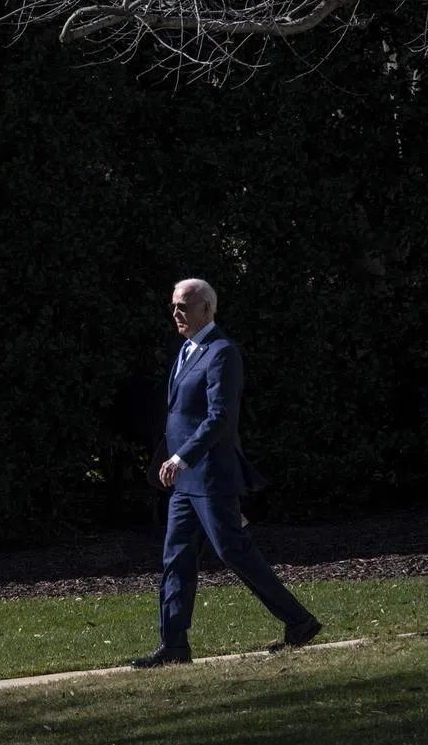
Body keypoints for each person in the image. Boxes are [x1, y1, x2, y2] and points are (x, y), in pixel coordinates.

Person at [132, 278, 321, 668]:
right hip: (185, 481)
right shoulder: (186, 351)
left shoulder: (222, 353)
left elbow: (220, 417)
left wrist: (181, 457)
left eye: (184, 306)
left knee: (234, 552)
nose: (176, 314)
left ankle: (299, 622)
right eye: (173, 307)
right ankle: (174, 645)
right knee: (176, 557)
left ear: (207, 308)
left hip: (212, 475)